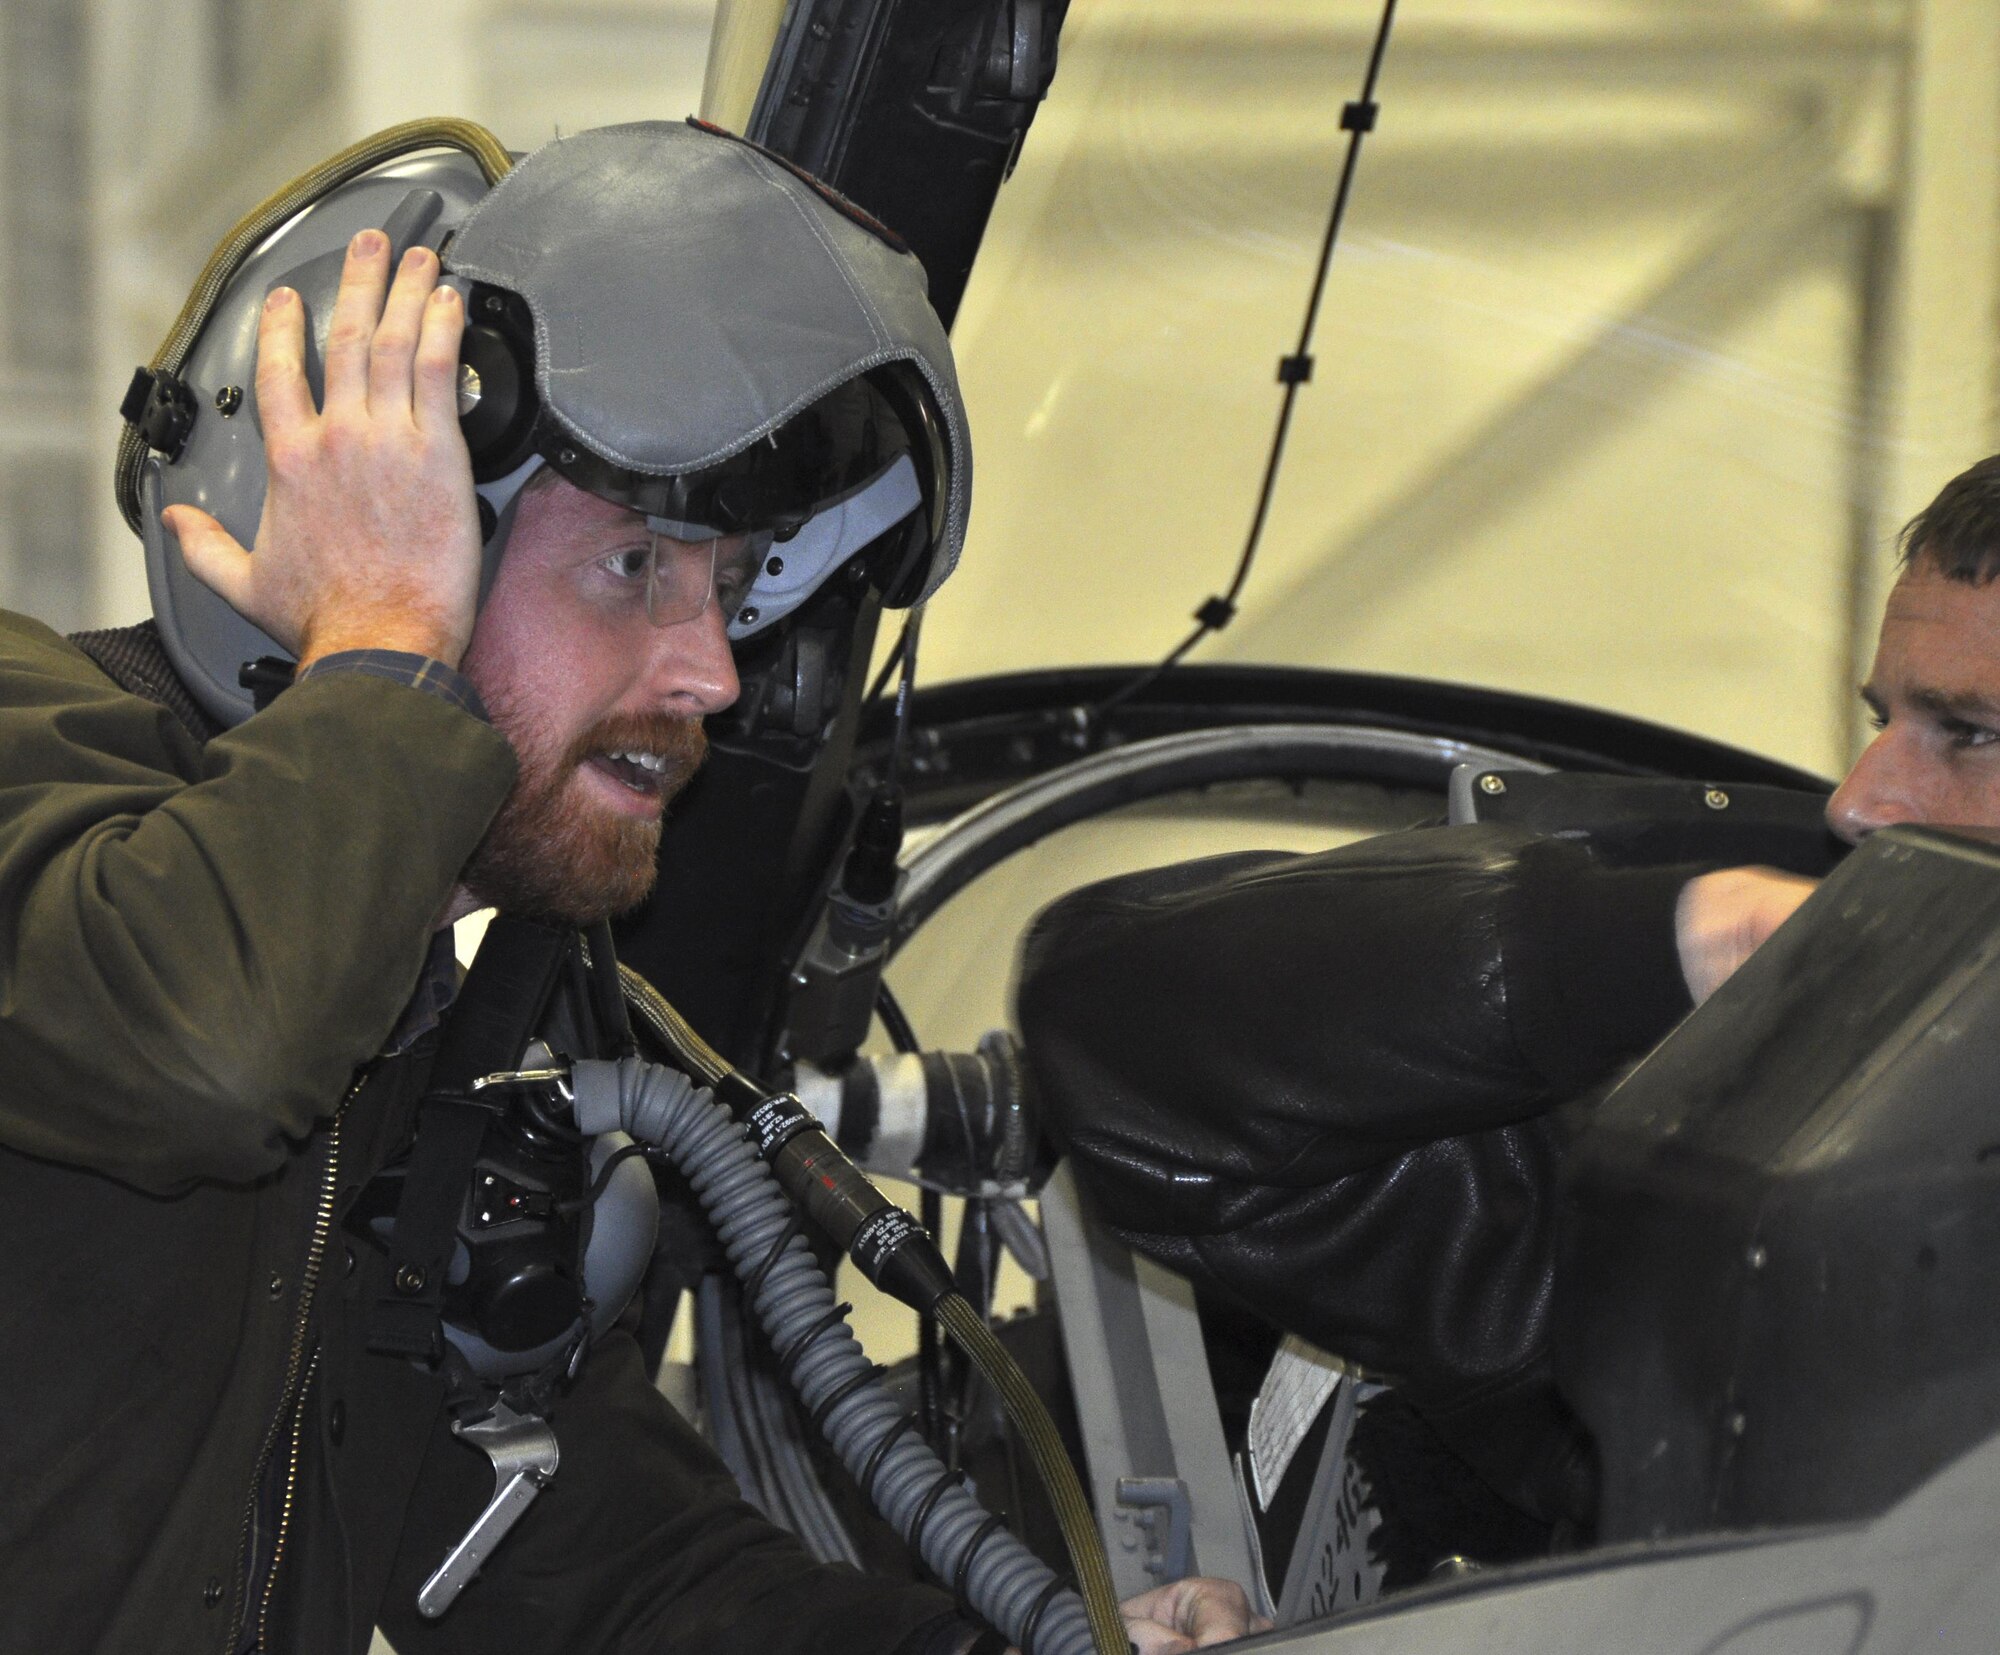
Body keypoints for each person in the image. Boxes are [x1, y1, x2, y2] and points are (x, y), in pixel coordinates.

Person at [0, 121, 1258, 1655]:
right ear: (358, 506)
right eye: (637, 571)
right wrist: (390, 633)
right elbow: (197, 1042)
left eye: (730, 591)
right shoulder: (37, 759)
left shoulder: (421, 1033)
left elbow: (607, 1573)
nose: (715, 669)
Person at [1014, 451, 2000, 1558]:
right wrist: (1651, 943)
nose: (1859, 800)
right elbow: (1116, 1034)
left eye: (1968, 732)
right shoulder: (1748, 1121)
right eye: (1882, 720)